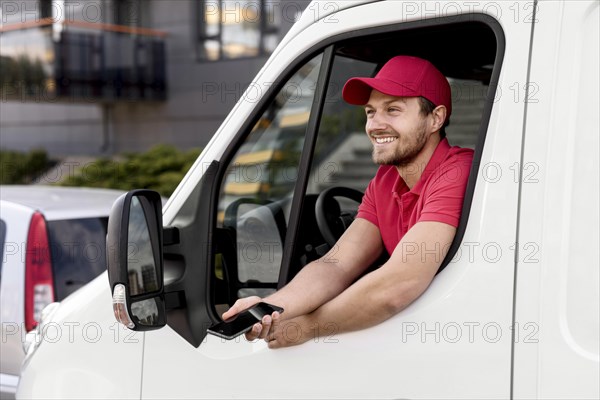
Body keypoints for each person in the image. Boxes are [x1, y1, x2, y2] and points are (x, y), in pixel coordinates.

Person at [222, 55, 474, 348]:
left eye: (393, 110)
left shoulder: (458, 170)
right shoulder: (385, 181)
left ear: (436, 118)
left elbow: (397, 285)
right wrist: (270, 308)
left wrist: (308, 328)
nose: (375, 124)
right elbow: (336, 264)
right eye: (370, 112)